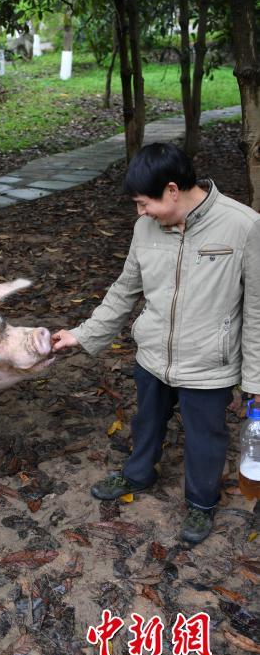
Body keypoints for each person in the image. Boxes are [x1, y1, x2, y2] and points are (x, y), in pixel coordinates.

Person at [52, 142, 260, 544]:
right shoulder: (145, 228)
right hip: (152, 357)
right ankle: (137, 474)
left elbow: (256, 309)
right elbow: (124, 291)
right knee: (146, 421)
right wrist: (83, 333)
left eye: (144, 202)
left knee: (206, 437)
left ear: (171, 190)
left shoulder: (244, 226)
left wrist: (255, 379)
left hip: (208, 364)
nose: (140, 212)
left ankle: (201, 503)